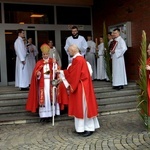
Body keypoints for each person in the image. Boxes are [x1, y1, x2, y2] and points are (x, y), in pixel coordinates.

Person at [57, 44, 100, 137]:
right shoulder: (79, 59)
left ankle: (89, 128)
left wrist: (62, 74)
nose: (68, 53)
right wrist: (62, 73)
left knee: (84, 108)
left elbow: (74, 75)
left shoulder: (78, 60)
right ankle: (81, 128)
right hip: (82, 85)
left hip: (81, 86)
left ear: (73, 51)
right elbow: (72, 72)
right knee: (81, 107)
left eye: (69, 51)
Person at [26, 43, 60, 123]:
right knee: (44, 99)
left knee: (51, 98)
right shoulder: (39, 63)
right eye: (44, 54)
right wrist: (38, 74)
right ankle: (43, 116)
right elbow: (36, 72)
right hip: (43, 83)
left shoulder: (52, 61)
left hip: (51, 83)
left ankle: (51, 114)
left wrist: (55, 66)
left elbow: (57, 71)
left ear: (49, 54)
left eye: (47, 54)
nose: (45, 55)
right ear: (42, 54)